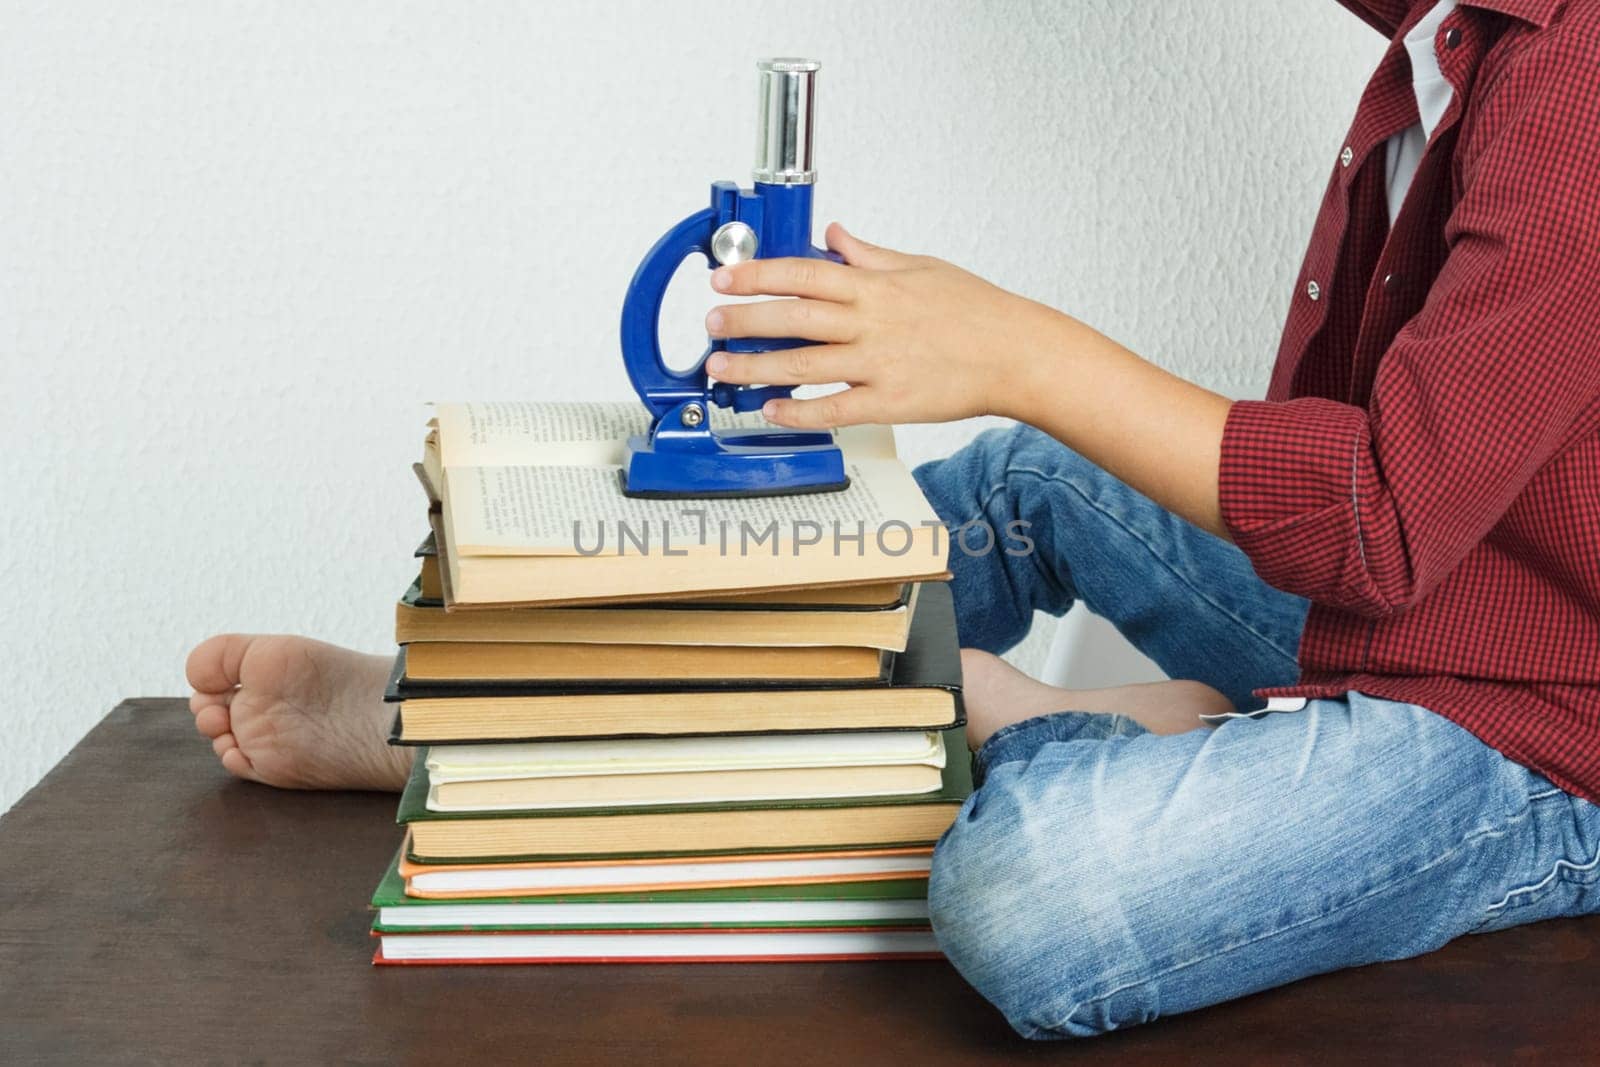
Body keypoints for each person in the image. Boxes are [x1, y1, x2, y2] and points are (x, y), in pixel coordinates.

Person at [187, 0, 1600, 1039]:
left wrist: (1018, 348)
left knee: (1040, 895)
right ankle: (504, 713)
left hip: (1542, 734)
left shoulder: (1577, 73)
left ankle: (980, 715)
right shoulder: (1444, 52)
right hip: (1420, 614)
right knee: (1025, 478)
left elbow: (1387, 509)